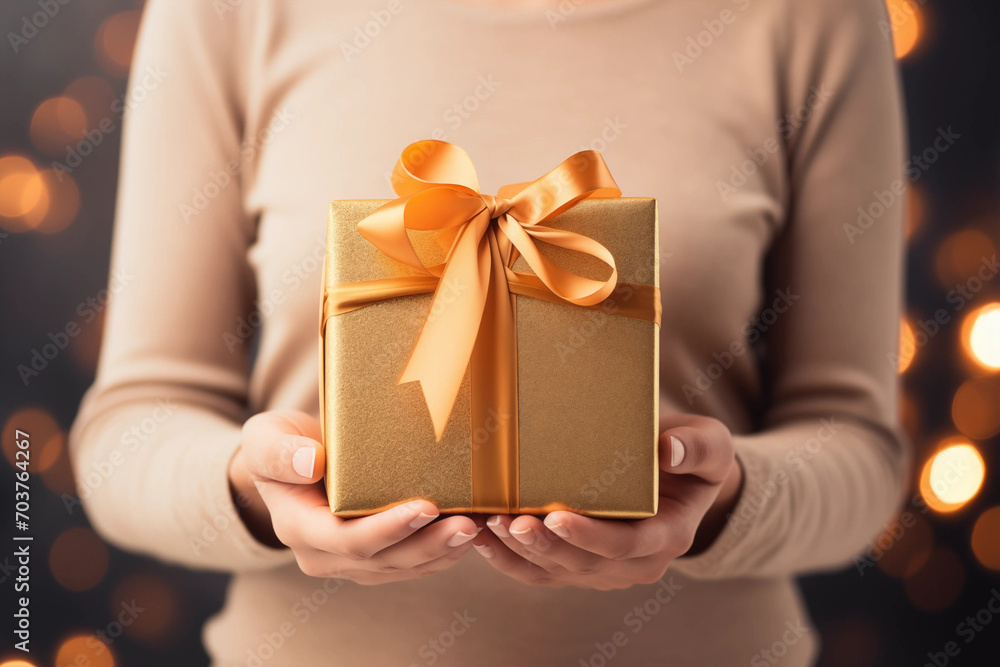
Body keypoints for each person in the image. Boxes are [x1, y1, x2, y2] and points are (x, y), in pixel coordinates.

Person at [70, 0, 908, 664]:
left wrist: (724, 501)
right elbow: (126, 432)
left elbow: (860, 450)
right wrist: (256, 493)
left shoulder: (815, 13)